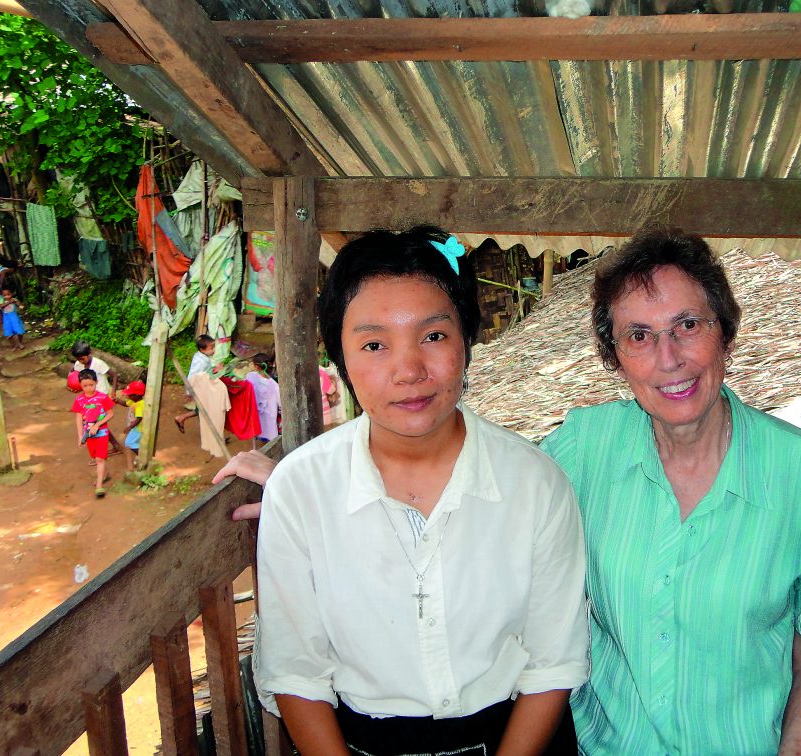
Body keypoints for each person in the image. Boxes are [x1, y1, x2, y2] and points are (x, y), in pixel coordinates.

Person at [217, 226, 801, 754]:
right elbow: (453, 479)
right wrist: (303, 491)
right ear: (614, 354)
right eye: (639, 336)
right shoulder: (584, 451)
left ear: (725, 331)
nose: (669, 358)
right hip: (607, 748)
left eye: (689, 325)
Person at [239, 226, 588, 755]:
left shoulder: (535, 484)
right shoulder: (302, 489)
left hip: (516, 738)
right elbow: (295, 674)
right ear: (341, 358)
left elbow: (553, 663)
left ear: (467, 342)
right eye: (375, 344)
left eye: (433, 336)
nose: (409, 371)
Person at [71, 340, 123, 455]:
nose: (81, 361)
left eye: (82, 358)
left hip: (101, 397)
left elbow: (114, 375)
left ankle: (99, 453)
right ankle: (113, 446)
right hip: (88, 397)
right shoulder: (78, 364)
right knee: (95, 423)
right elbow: (75, 376)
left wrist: (113, 392)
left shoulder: (98, 363)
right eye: (78, 359)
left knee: (95, 423)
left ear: (89, 353)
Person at [72, 368, 115, 498]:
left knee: (99, 459)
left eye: (91, 385)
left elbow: (110, 414)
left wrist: (97, 424)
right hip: (88, 435)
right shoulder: (79, 400)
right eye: (85, 386)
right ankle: (105, 474)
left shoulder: (102, 397)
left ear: (96, 382)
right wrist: (80, 436)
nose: (88, 388)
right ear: (80, 385)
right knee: (95, 457)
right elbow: (79, 418)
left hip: (102, 433)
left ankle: (99, 486)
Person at [175, 334, 215, 433]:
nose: (213, 350)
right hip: (200, 389)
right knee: (206, 410)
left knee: (202, 409)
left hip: (204, 388)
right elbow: (192, 376)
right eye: (211, 348)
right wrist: (189, 392)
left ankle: (181, 418)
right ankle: (211, 434)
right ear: (202, 349)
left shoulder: (202, 356)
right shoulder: (201, 362)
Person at [246, 353, 281, 443]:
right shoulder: (274, 385)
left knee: (260, 432)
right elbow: (280, 404)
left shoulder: (250, 376)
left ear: (256, 366)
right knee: (270, 437)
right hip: (270, 419)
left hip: (255, 416)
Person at [114, 380, 145, 469]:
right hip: (135, 427)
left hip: (138, 428)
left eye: (130, 394)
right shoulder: (134, 401)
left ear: (137, 395)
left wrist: (130, 427)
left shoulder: (140, 404)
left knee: (129, 442)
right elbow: (125, 404)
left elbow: (139, 418)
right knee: (136, 442)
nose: (128, 396)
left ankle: (143, 457)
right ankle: (141, 455)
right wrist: (117, 400)